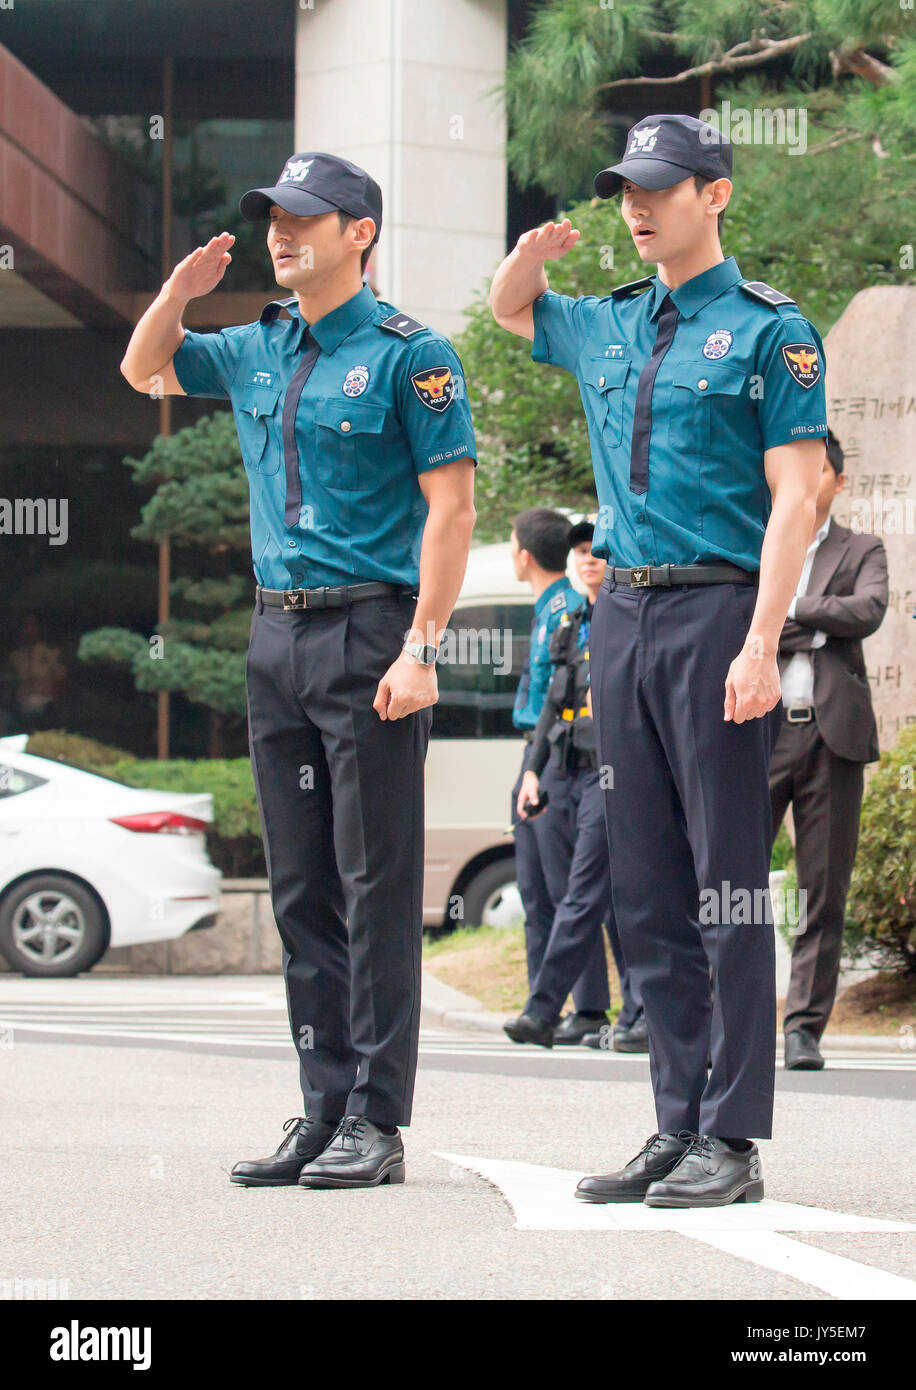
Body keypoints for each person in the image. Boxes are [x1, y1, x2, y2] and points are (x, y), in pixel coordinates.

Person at [490, 114, 828, 1207]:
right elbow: (508, 312)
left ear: (714, 196)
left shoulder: (773, 332)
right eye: (626, 190)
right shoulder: (603, 323)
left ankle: (731, 1136)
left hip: (719, 611)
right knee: (642, 886)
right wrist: (527, 260)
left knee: (726, 881)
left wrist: (763, 638)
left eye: (659, 188)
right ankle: (673, 1120)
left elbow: (795, 496)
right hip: (622, 622)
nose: (636, 206)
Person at [121, 152, 477, 1189]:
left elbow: (450, 512)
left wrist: (423, 645)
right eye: (274, 219)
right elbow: (144, 368)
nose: (283, 235)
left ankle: (378, 1117)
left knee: (374, 885)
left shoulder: (414, 357)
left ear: (359, 233)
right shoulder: (254, 347)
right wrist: (176, 295)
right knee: (300, 890)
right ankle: (321, 1108)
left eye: (306, 220)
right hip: (275, 640)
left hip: (370, 636)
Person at [504, 518, 646, 1051]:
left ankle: (547, 1010)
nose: (589, 560)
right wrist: (533, 769)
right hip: (571, 769)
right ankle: (626, 1014)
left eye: (598, 552)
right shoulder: (573, 623)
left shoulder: (630, 616)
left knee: (592, 893)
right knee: (590, 895)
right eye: (581, 552)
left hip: (618, 775)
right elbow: (550, 705)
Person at [770, 429, 888, 1070]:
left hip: (831, 733)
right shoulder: (756, 540)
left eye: (820, 471)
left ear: (836, 481)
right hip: (759, 733)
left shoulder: (862, 547)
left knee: (823, 889)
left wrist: (793, 611)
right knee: (732, 882)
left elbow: (867, 609)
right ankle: (722, 1016)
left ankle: (803, 1029)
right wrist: (818, 619)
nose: (808, 479)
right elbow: (741, 619)